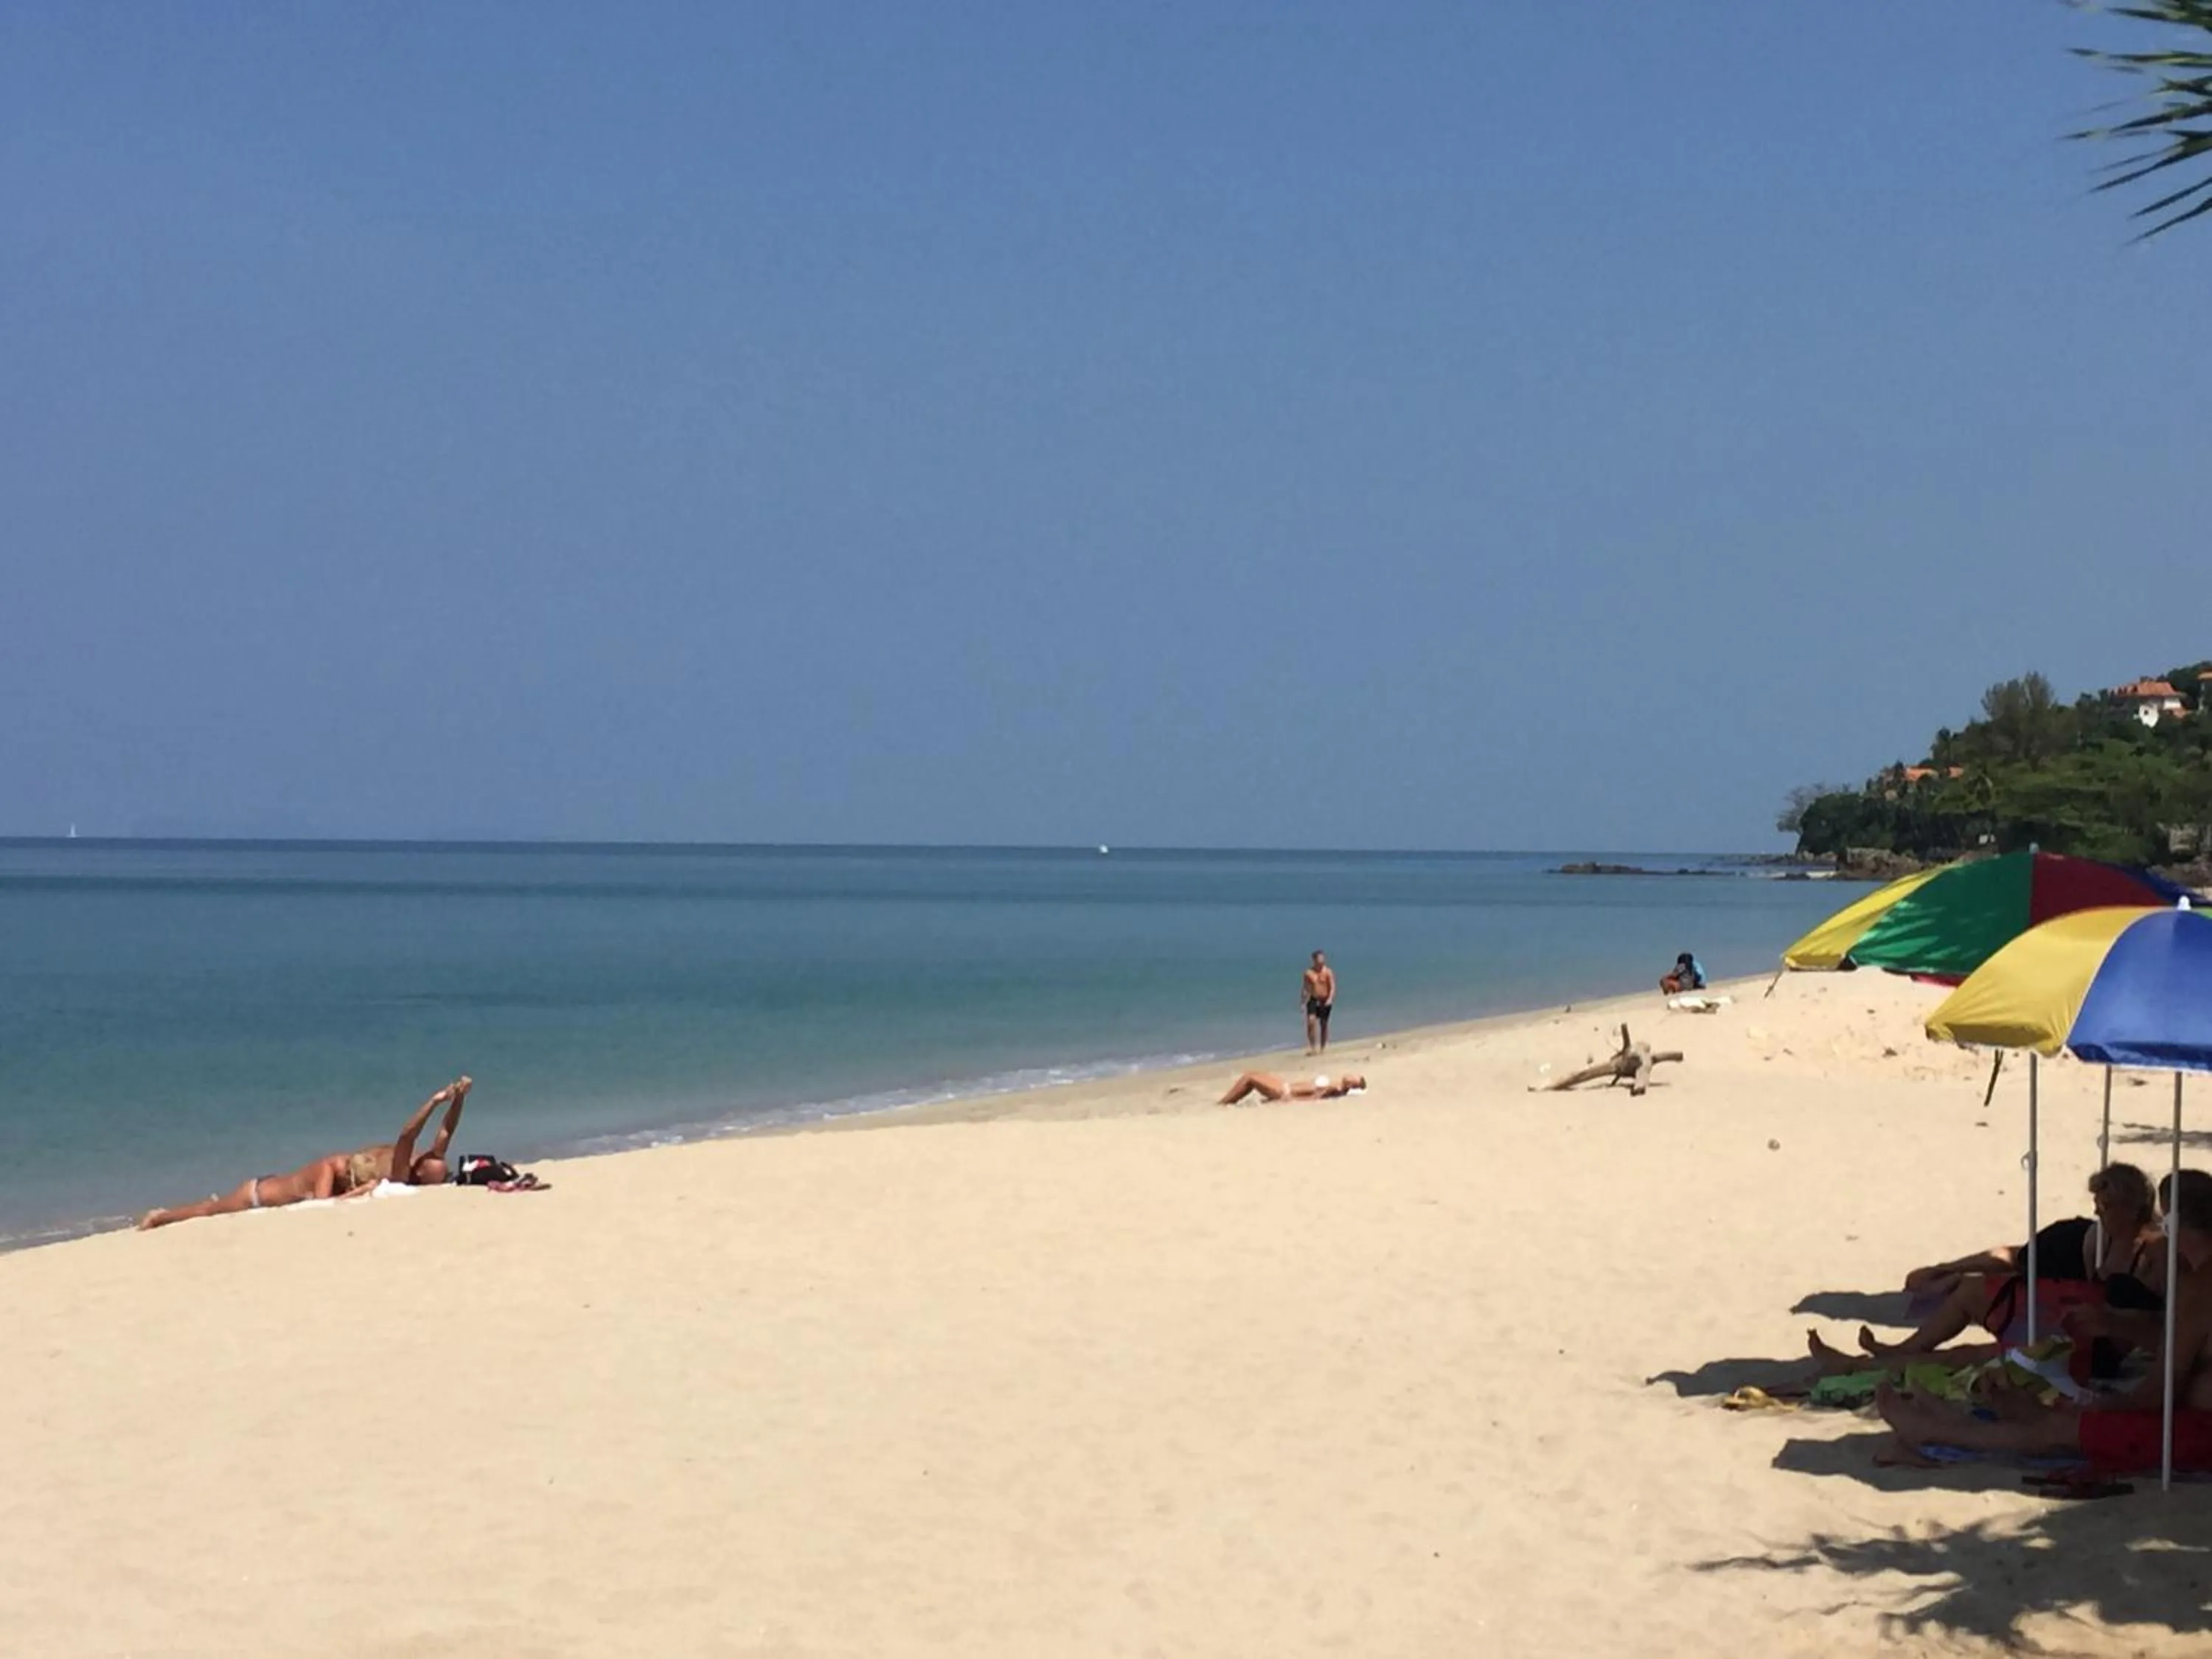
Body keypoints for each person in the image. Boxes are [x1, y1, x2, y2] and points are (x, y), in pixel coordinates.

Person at [1874, 1171, 2212, 1474]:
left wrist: (2093, 1403)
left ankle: (1933, 1431)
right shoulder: (2188, 1283)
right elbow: (2179, 1343)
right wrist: (2118, 1325)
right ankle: (1960, 1416)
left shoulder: (2194, 1287)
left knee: (2060, 1430)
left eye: (2166, 1224)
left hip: (2193, 1427)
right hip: (2179, 1404)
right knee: (2048, 1411)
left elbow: (2156, 1394)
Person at [1809, 1164, 2165, 1368]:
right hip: (2072, 1327)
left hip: (2098, 1353)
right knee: (1971, 1290)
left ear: (2132, 1209)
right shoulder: (2097, 1239)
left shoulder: (2153, 1256)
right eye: (2097, 1205)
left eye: (2105, 1206)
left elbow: (2158, 1325)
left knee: (1976, 1356)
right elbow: (2022, 1261)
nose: (2097, 1213)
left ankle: (1863, 1365)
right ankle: (1906, 1350)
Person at [137, 1077, 473, 1231]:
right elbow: (445, 1132)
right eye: (434, 1157)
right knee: (210, 1209)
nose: (433, 1154)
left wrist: (434, 1101)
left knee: (210, 1209)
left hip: (264, 1193)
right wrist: (456, 1098)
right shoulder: (415, 1163)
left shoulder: (400, 1172)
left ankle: (162, 1217)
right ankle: (162, 1216)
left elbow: (407, 1135)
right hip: (265, 1190)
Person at [1218, 1071, 1367, 1105]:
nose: (1351, 1075)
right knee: (1251, 1076)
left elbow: (1315, 1096)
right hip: (1285, 1086)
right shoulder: (1338, 1086)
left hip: (1285, 1090)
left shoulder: (1337, 1088)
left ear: (1353, 1085)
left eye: (1355, 1078)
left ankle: (1225, 1102)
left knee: (1249, 1078)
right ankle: (1228, 1101)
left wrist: (1290, 1099)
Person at [1302, 950, 1337, 1054]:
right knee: (1311, 1022)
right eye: (1320, 958)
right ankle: (1313, 1047)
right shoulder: (1309, 973)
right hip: (1313, 999)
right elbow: (1305, 988)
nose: (1322, 960)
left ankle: (1323, 1047)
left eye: (1323, 958)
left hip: (1324, 1000)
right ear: (1314, 960)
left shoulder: (1328, 972)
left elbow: (1333, 987)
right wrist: (1303, 1002)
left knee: (1324, 1024)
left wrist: (1330, 999)